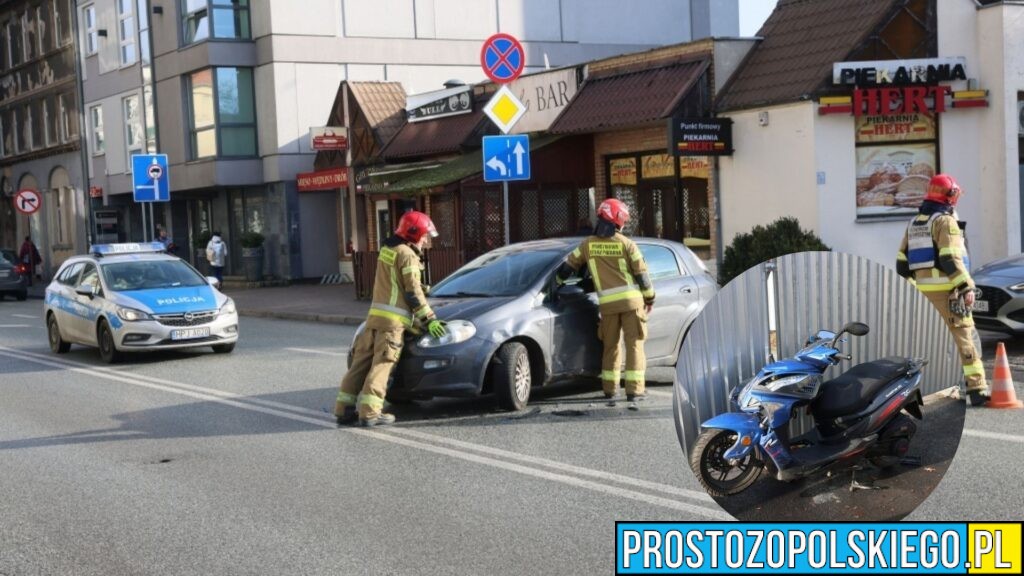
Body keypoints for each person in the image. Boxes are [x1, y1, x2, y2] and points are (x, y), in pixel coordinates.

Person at [334, 211, 448, 427]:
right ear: (414, 234)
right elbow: (412, 292)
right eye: (424, 235)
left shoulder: (388, 250)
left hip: (374, 320)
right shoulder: (408, 255)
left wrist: (421, 287)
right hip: (392, 324)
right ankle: (370, 413)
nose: (426, 240)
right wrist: (429, 319)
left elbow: (393, 283)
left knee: (359, 366)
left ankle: (343, 409)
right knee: (382, 365)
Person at [897, 173, 990, 406]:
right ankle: (976, 389)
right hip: (949, 293)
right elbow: (950, 259)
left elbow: (901, 263)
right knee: (964, 337)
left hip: (924, 296)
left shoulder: (915, 223)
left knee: (931, 343)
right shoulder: (945, 222)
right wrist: (965, 286)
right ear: (951, 196)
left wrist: (913, 291)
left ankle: (924, 390)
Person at [556, 198, 655, 410]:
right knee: (634, 345)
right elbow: (642, 276)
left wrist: (555, 284)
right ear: (618, 220)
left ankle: (610, 389)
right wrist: (650, 298)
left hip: (607, 307)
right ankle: (635, 391)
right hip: (631, 304)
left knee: (611, 347)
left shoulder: (587, 244)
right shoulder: (627, 244)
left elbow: (568, 267)